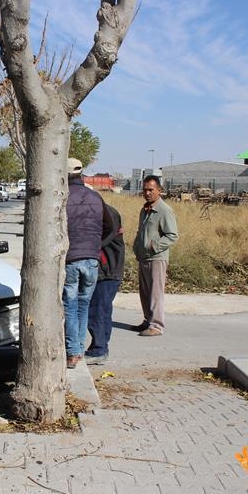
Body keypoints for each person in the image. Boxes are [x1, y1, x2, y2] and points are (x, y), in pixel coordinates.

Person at [63, 157, 104, 368]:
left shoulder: (63, 198)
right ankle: (78, 347)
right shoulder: (96, 197)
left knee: (69, 305)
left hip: (71, 259)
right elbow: (109, 227)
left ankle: (72, 352)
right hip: (92, 260)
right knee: (83, 304)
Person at [131, 175, 178, 336]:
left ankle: (156, 325)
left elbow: (172, 235)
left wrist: (153, 246)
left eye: (151, 190)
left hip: (156, 258)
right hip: (144, 257)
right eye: (145, 190)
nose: (147, 193)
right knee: (145, 291)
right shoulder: (145, 210)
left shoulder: (164, 210)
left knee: (155, 292)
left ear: (159, 190)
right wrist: (138, 246)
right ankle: (147, 320)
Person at [85, 202, 124, 364]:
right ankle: (101, 347)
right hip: (108, 270)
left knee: (97, 310)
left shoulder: (108, 217)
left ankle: (99, 349)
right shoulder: (106, 214)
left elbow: (102, 240)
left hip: (107, 271)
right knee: (103, 310)